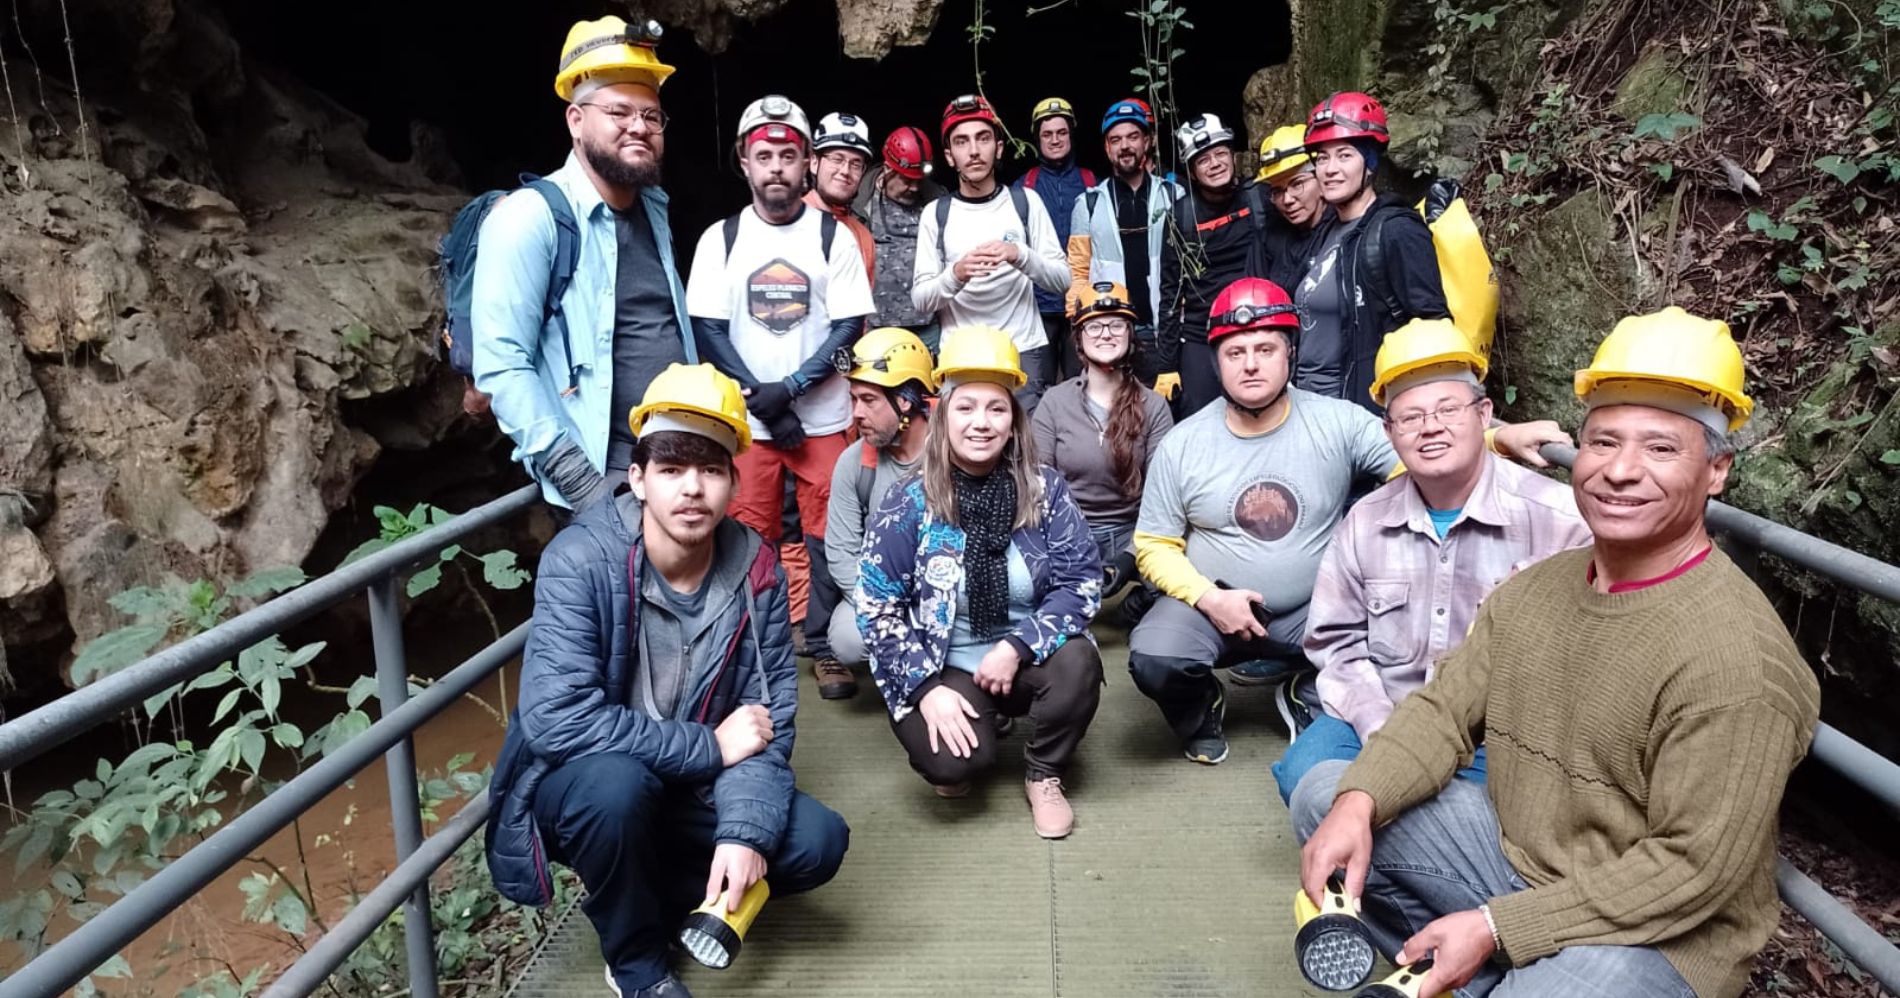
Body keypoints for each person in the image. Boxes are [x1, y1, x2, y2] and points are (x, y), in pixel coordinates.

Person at [1295, 307, 1820, 998]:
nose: (1621, 471)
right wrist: (1359, 802)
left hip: (1661, 929)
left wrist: (1495, 925)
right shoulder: (1537, 591)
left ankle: (1488, 963)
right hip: (1522, 858)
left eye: (1661, 449)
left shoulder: (1736, 660)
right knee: (1324, 794)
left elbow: (1691, 869)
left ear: (1716, 470)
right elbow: (1444, 712)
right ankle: (1476, 968)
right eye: (1603, 443)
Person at [485, 363, 851, 998]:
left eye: (710, 470)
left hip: (693, 792)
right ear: (637, 480)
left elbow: (767, 722)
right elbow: (556, 720)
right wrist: (709, 747)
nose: (692, 489)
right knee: (617, 789)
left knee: (816, 843)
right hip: (589, 782)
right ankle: (637, 962)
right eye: (672, 469)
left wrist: (742, 832)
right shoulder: (581, 560)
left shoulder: (756, 569)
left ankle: (646, 886)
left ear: (734, 483)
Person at [1127, 278, 1561, 765]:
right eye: (1236, 352)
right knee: (1156, 656)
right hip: (1214, 607)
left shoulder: (1336, 422)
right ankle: (1200, 708)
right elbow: (1153, 544)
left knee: (1393, 632)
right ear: (1217, 362)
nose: (1251, 363)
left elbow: (1422, 450)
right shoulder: (1183, 443)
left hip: (1315, 609)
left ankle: (1306, 690)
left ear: (1290, 354)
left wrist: (1501, 438)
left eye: (1266, 348)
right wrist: (1210, 599)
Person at [1270, 318, 1590, 803]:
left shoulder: (1560, 520)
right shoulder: (1366, 522)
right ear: (1389, 431)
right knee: (1308, 780)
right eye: (1411, 417)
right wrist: (1383, 730)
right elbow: (1336, 644)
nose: (1430, 427)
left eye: (1447, 409)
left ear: (1484, 415)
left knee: (1501, 809)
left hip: (1502, 735)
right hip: (1386, 715)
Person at [857, 326, 1105, 839]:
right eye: (966, 408)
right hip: (946, 661)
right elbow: (876, 607)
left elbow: (1081, 581)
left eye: (996, 409)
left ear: (1014, 423)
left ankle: (1044, 772)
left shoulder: (1044, 490)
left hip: (1024, 656)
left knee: (1079, 660)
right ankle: (972, 722)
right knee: (951, 767)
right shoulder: (910, 499)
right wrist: (925, 688)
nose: (981, 423)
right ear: (943, 415)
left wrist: (1017, 646)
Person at [687, 94, 874, 692]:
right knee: (746, 534)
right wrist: (760, 397)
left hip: (821, 418)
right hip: (747, 423)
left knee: (827, 536)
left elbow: (848, 328)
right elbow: (708, 328)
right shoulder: (721, 238)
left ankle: (824, 646)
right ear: (744, 161)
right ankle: (755, 649)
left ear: (806, 164)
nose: (776, 167)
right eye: (764, 155)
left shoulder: (832, 238)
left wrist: (790, 390)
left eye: (788, 155)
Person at [474, 17, 699, 511]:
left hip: (678, 471)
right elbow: (502, 365)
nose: (639, 126)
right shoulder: (530, 217)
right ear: (576, 121)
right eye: (619, 111)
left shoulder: (653, 208)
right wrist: (580, 484)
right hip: (604, 483)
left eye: (651, 115)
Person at [912, 95, 1070, 411]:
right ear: (949, 156)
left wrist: (1020, 254)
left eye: (983, 138)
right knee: (965, 451)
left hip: (1023, 350)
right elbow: (921, 300)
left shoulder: (1025, 202)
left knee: (1027, 452)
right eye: (961, 142)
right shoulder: (936, 213)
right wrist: (956, 275)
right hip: (961, 355)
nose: (973, 150)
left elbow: (1062, 280)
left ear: (998, 147)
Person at [1295, 91, 1450, 410]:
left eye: (1344, 155)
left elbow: (1433, 326)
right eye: (1321, 158)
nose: (1330, 169)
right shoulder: (1325, 229)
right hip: (1308, 403)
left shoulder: (1397, 231)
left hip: (1361, 410)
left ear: (1370, 162)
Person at [1030, 282, 1173, 620]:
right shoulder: (1055, 402)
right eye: (1094, 325)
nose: (1105, 333)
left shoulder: (1153, 406)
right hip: (1070, 529)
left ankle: (1136, 607)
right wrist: (1066, 549)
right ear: (1078, 339)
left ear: (1130, 334)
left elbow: (1163, 498)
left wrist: (1131, 555)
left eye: (1116, 324)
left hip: (1134, 530)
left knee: (1181, 587)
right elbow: (1037, 486)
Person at [819, 327, 938, 695]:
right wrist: (885, 607)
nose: (856, 413)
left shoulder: (956, 451)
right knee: (846, 638)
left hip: (953, 592)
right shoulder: (855, 463)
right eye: (854, 399)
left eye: (868, 399)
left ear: (905, 400)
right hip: (884, 592)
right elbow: (841, 551)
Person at [1067, 98, 1183, 388]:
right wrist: (1079, 322)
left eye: (1133, 137)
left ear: (1147, 141)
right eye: (1115, 140)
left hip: (1165, 331)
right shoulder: (1088, 204)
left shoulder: (1174, 196)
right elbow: (1078, 272)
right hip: (1112, 330)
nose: (1125, 146)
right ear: (1107, 148)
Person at [1160, 113, 1264, 416]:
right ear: (1192, 172)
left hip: (1258, 324)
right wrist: (1166, 365)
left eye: (1220, 153)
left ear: (1233, 156)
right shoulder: (1181, 216)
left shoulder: (1259, 197)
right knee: (1199, 417)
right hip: (1201, 333)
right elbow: (1170, 290)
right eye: (1203, 159)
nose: (1215, 163)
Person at [1013, 97, 1097, 381]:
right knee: (1037, 382)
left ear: (1071, 135)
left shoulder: (1089, 180)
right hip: (1039, 305)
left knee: (1083, 380)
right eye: (1047, 134)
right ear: (1037, 139)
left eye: (1061, 133)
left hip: (1082, 303)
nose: (1055, 140)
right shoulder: (1024, 186)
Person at [856, 126, 944, 350]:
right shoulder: (859, 201)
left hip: (927, 326)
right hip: (876, 326)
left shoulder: (938, 200)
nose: (914, 187)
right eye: (906, 180)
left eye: (919, 180)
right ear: (887, 169)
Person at [1253, 123, 1326, 293]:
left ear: (1321, 178)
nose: (1287, 200)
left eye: (1297, 183)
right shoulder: (1268, 237)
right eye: (1277, 191)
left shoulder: (1343, 234)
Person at [806, 112, 878, 280]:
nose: (845, 171)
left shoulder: (863, 237)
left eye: (855, 164)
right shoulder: (785, 222)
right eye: (837, 159)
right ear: (814, 162)